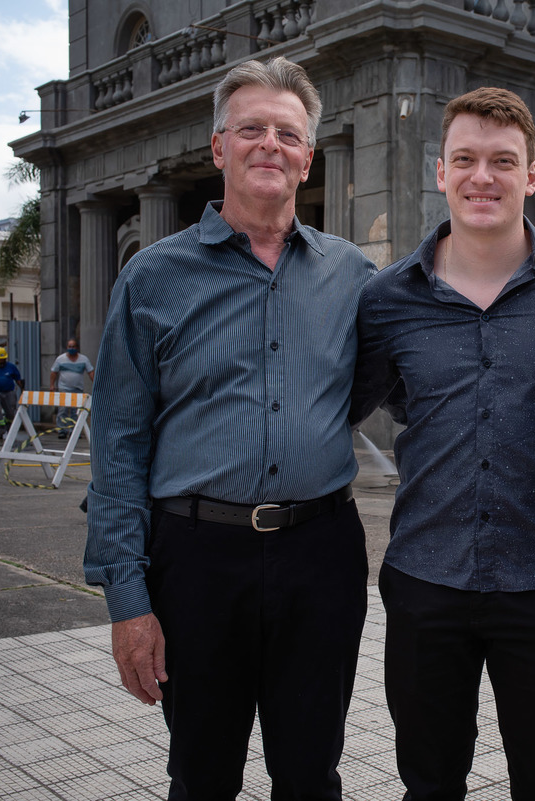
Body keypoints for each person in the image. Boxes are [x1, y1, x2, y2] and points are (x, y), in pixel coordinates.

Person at [84, 57, 375, 800]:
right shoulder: (152, 278)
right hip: (195, 561)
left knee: (312, 774)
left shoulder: (352, 278)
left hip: (322, 555)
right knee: (202, 775)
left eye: (288, 133)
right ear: (220, 148)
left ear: (309, 156)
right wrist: (128, 599)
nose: (269, 145)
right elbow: (118, 444)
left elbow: (392, 384)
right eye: (251, 129)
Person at [353, 88, 535, 800]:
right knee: (428, 783)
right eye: (465, 159)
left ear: (531, 174)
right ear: (440, 171)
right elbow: (381, 401)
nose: (481, 176)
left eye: (501, 161)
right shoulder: (388, 297)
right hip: (426, 579)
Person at [49, 338, 94, 438]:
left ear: (77, 348)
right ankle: (62, 430)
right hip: (64, 388)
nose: (71, 348)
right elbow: (54, 372)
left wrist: (95, 384)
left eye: (73, 346)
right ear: (67, 348)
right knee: (63, 410)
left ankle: (74, 431)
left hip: (77, 389)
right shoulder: (61, 359)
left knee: (76, 411)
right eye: (70, 346)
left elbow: (90, 372)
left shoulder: (84, 359)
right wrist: (52, 385)